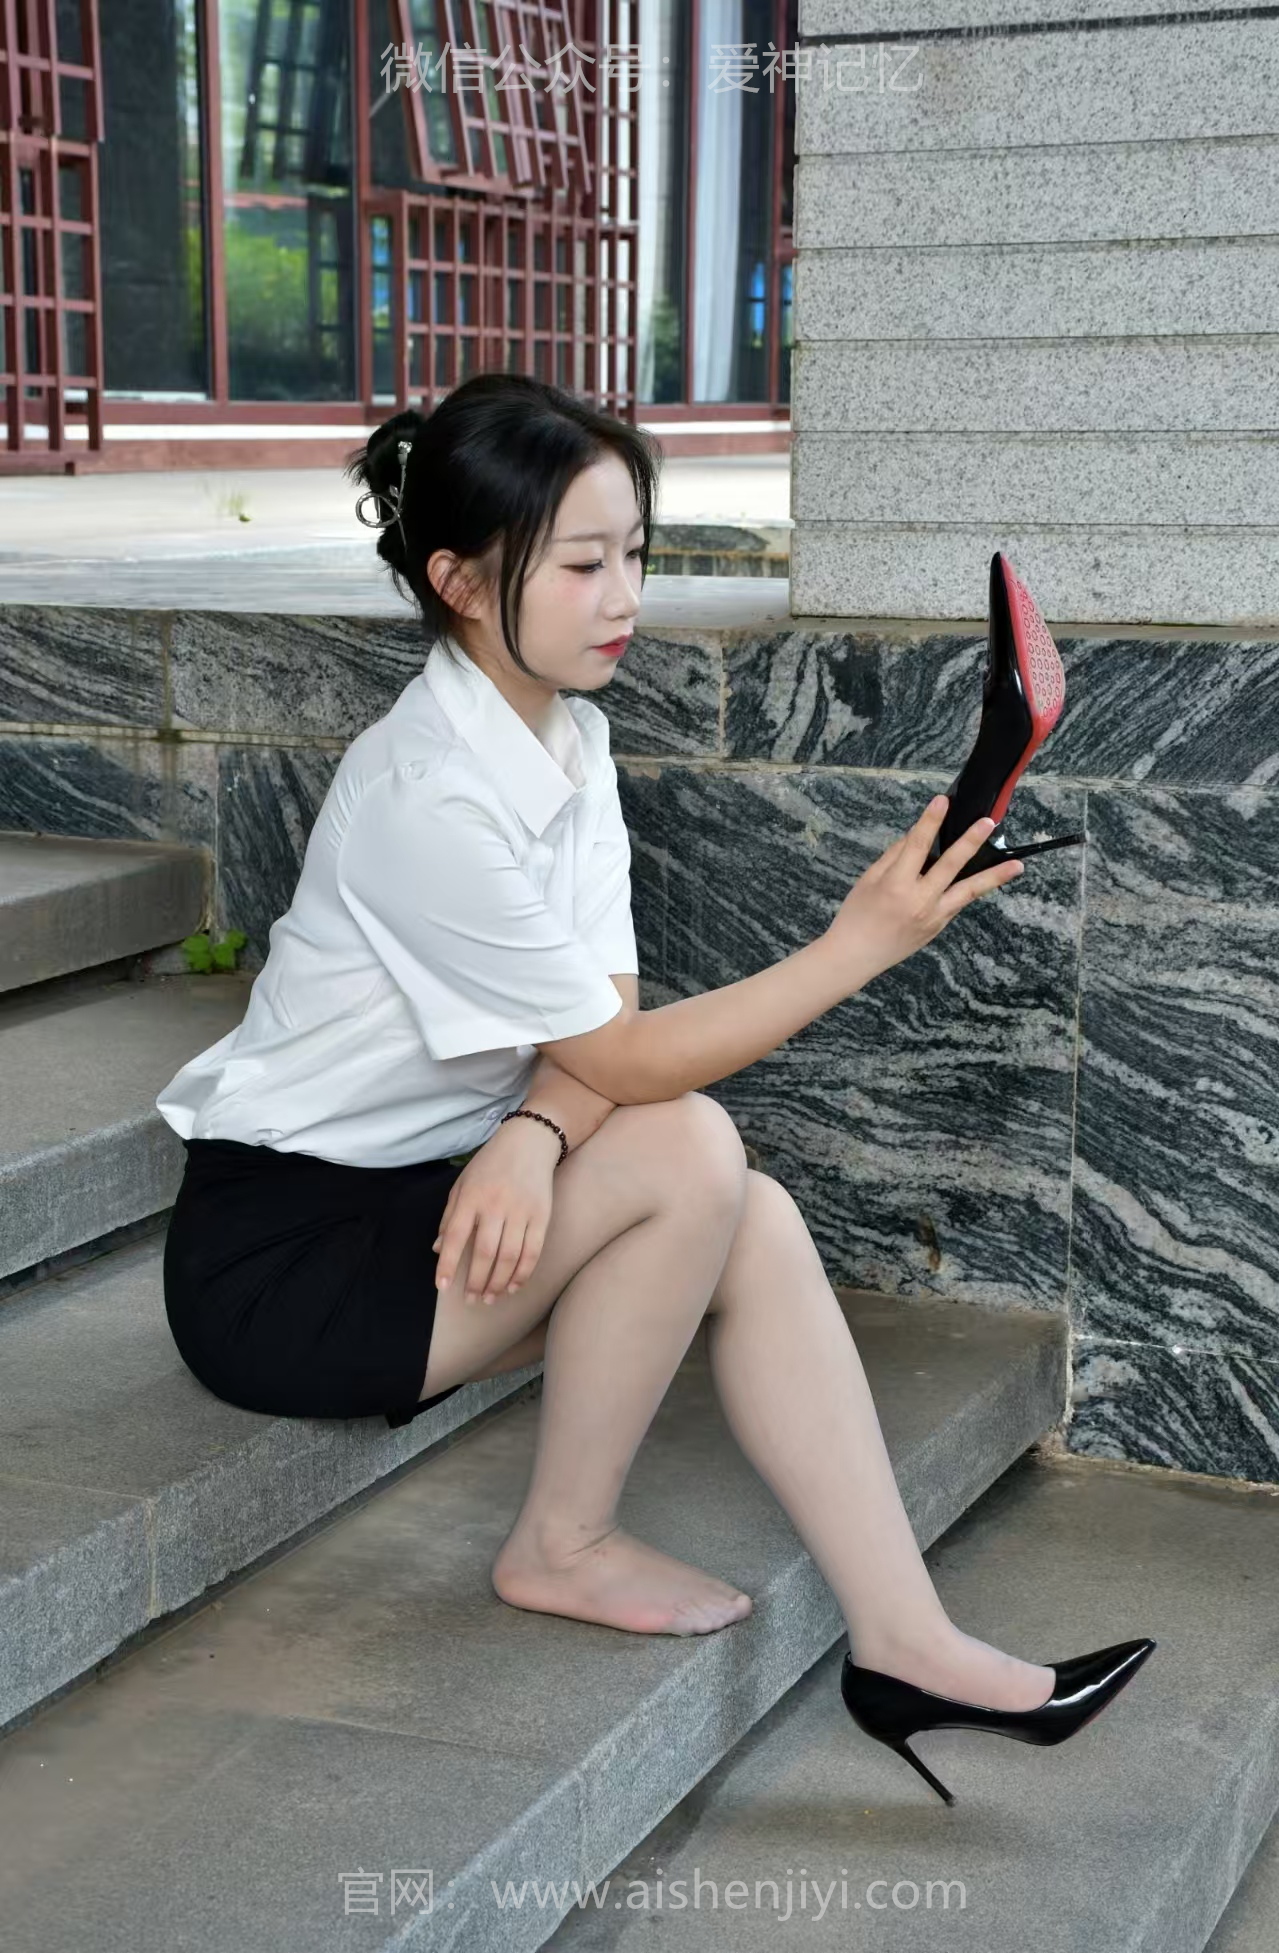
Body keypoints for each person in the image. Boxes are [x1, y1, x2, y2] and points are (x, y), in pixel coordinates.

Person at [157, 370, 1058, 1721]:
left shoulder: (569, 737)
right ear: (461, 582)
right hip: (280, 1262)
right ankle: (560, 1544)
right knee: (688, 1145)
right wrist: (860, 941)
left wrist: (530, 1134)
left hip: (425, 1197)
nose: (625, 596)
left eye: (635, 553)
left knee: (748, 1215)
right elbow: (632, 1063)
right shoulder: (427, 794)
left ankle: (905, 1642)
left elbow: (608, 1008)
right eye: (583, 564)